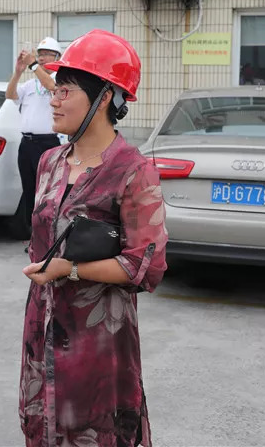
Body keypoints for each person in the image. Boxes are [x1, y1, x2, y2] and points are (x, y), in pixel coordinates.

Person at [19, 29, 168, 447]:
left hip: (98, 342)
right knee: (44, 429)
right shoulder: (49, 161)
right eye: (55, 89)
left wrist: (72, 269)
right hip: (43, 325)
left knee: (93, 434)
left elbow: (148, 264)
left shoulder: (133, 171)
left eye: (65, 90)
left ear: (104, 97)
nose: (53, 98)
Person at [6, 37, 63, 231]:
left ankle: (48, 230)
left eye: (48, 54)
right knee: (29, 189)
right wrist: (17, 72)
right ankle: (33, 232)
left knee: (47, 190)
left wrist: (32, 65)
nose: (43, 58)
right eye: (40, 54)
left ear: (57, 57)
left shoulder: (59, 79)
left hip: (48, 143)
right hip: (27, 143)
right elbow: (10, 95)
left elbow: (50, 86)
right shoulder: (31, 84)